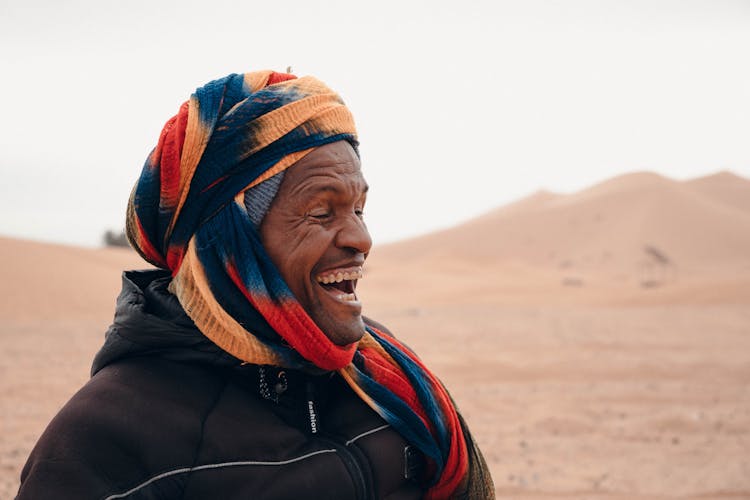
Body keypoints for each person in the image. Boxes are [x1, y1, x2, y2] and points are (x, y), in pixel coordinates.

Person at [17, 71, 494, 499]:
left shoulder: (383, 375)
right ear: (230, 243)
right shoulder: (102, 441)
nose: (361, 239)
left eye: (359, 209)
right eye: (321, 212)